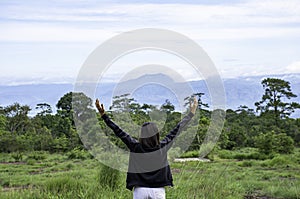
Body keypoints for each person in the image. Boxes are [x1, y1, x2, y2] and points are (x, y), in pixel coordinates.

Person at [95, 97, 198, 199]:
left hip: (140, 190)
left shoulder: (135, 146)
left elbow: (118, 131)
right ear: (156, 134)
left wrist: (104, 116)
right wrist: (191, 114)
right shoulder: (163, 146)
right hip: (158, 190)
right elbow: (177, 129)